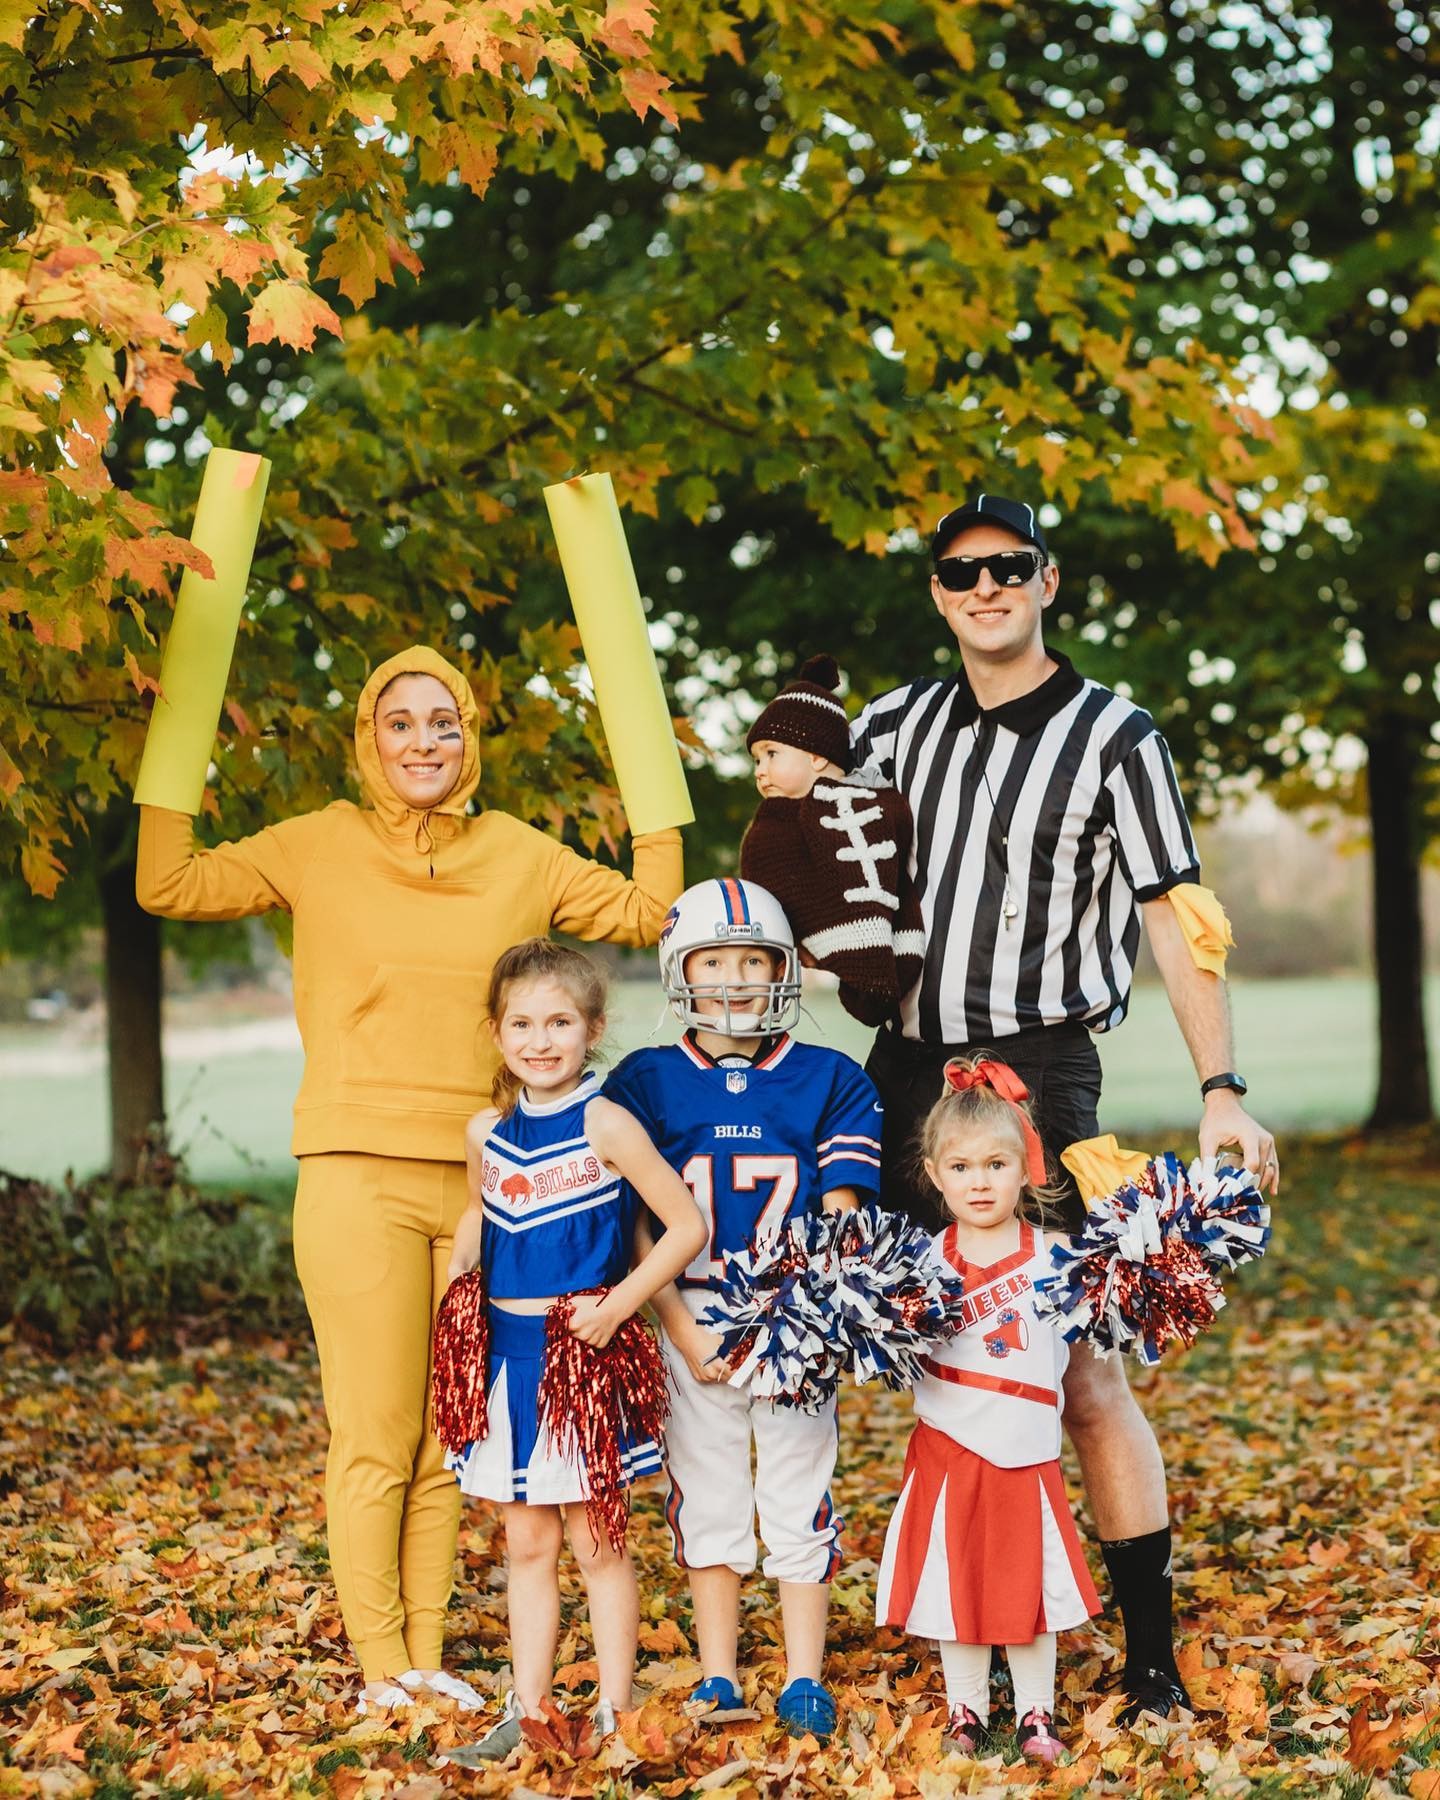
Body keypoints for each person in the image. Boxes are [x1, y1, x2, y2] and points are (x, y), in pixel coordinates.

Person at [135, 645, 683, 1715]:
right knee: (376, 1434)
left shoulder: (522, 853)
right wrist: (178, 731)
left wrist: (651, 781)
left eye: (444, 723)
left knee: (451, 1434)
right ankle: (383, 1668)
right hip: (355, 1175)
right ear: (368, 737)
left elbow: (652, 911)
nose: (423, 742)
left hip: (490, 1185)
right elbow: (166, 880)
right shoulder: (316, 844)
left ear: (469, 736)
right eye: (400, 723)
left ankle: (430, 1655)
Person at [850, 494, 1281, 1723]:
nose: (986, 588)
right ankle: (881, 1632)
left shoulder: (1115, 736)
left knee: (1077, 1368)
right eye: (960, 572)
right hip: (900, 1068)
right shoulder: (890, 727)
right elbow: (805, 850)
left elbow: (1173, 915)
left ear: (1048, 580)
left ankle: (1148, 1655)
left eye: (1009, 567)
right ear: (937, 591)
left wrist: (1221, 1090)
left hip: (1044, 1069)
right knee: (878, 1332)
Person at [602, 878, 883, 1742]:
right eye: (713, 961)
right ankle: (719, 1673)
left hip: (795, 1322)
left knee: (798, 1493)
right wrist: (680, 1333)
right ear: (680, 968)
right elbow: (634, 1220)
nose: (731, 980)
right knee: (711, 1496)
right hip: (690, 1318)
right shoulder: (643, 1080)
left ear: (782, 971)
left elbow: (841, 1213)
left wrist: (802, 1321)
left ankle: (803, 1676)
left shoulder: (830, 1077)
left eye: (752, 962)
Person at [442, 939, 707, 1762]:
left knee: (598, 1544)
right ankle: (528, 1709)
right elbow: (480, 1221)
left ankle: (614, 1712)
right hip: (507, 1361)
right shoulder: (486, 1130)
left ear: (593, 1028)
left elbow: (686, 1227)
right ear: (496, 1031)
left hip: (584, 1361)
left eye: (559, 1021)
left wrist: (620, 1306)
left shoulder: (607, 1122)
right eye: (521, 1023)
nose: (540, 1039)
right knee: (527, 1543)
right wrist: (454, 1296)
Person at [875, 1058, 1100, 1765]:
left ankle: (1038, 1711)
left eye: (997, 1164)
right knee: (956, 1587)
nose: (980, 1180)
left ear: (1025, 1168)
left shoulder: (1059, 1258)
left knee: (1026, 1588)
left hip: (1026, 1452)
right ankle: (965, 1710)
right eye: (963, 1166)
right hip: (949, 1453)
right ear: (935, 1174)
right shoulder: (915, 1266)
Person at [739, 654, 923, 1025]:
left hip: (894, 938)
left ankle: (866, 950)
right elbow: (767, 879)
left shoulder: (873, 804)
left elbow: (885, 860)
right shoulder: (773, 825)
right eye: (757, 761)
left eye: (771, 754)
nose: (761, 771)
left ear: (817, 757)